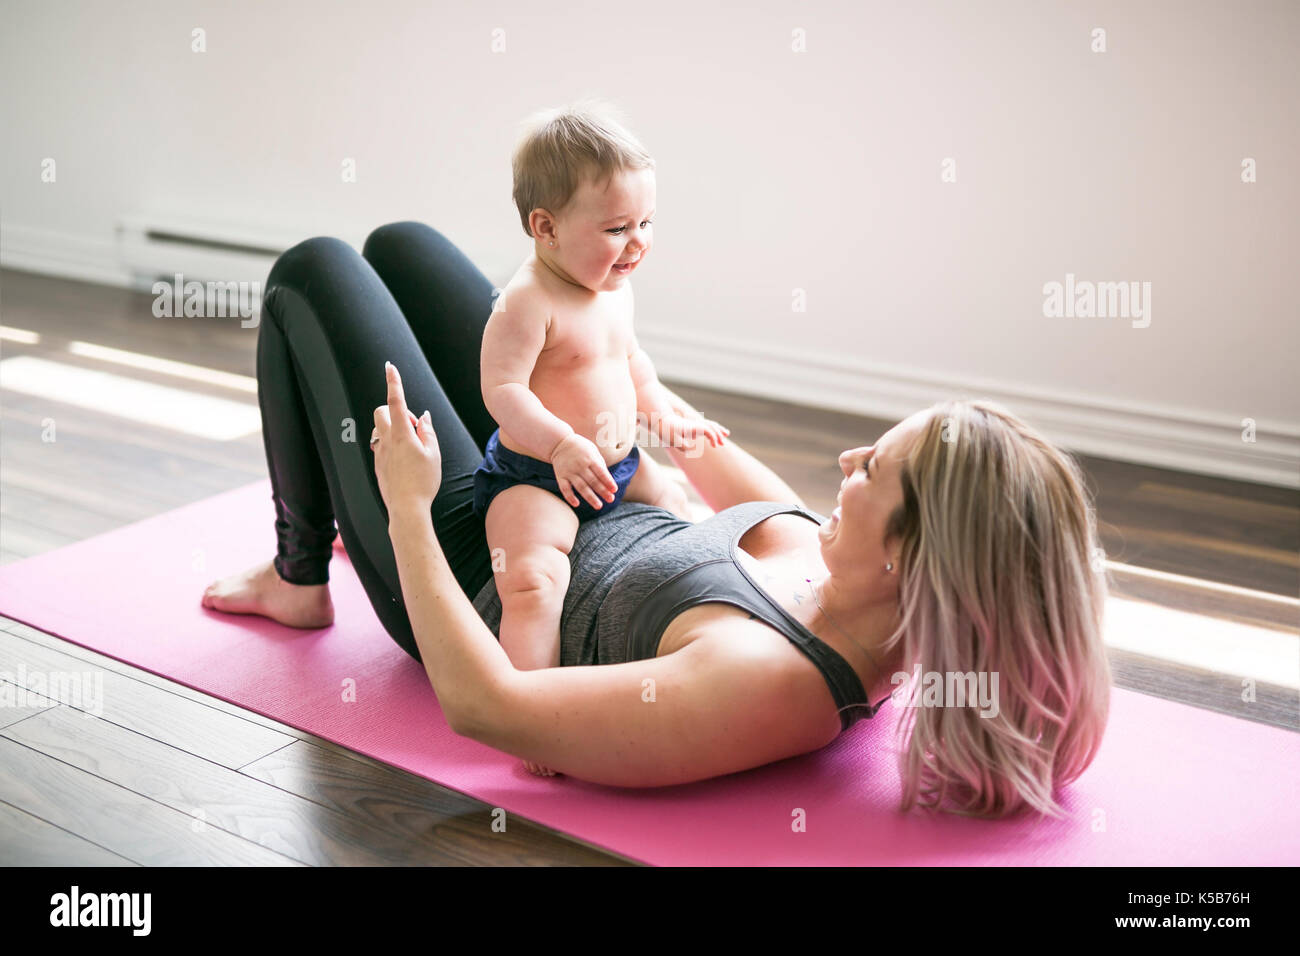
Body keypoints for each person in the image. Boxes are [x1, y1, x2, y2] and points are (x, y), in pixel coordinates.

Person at [202, 219, 1112, 819]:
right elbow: (677, 428)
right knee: (402, 247)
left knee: (312, 271)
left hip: (469, 564)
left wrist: (404, 507)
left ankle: (298, 577)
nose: (847, 463)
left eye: (875, 467)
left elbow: (491, 706)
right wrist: (608, 352)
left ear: (918, 559)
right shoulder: (836, 562)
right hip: (556, 480)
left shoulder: (771, 681)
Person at [469, 103, 727, 778]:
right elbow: (503, 393)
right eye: (616, 228)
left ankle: (725, 608)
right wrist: (557, 445)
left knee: (677, 502)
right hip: (535, 475)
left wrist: (672, 418)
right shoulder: (527, 302)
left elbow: (634, 367)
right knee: (532, 578)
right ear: (545, 228)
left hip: (616, 462)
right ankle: (528, 716)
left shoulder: (613, 289)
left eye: (645, 223)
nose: (638, 242)